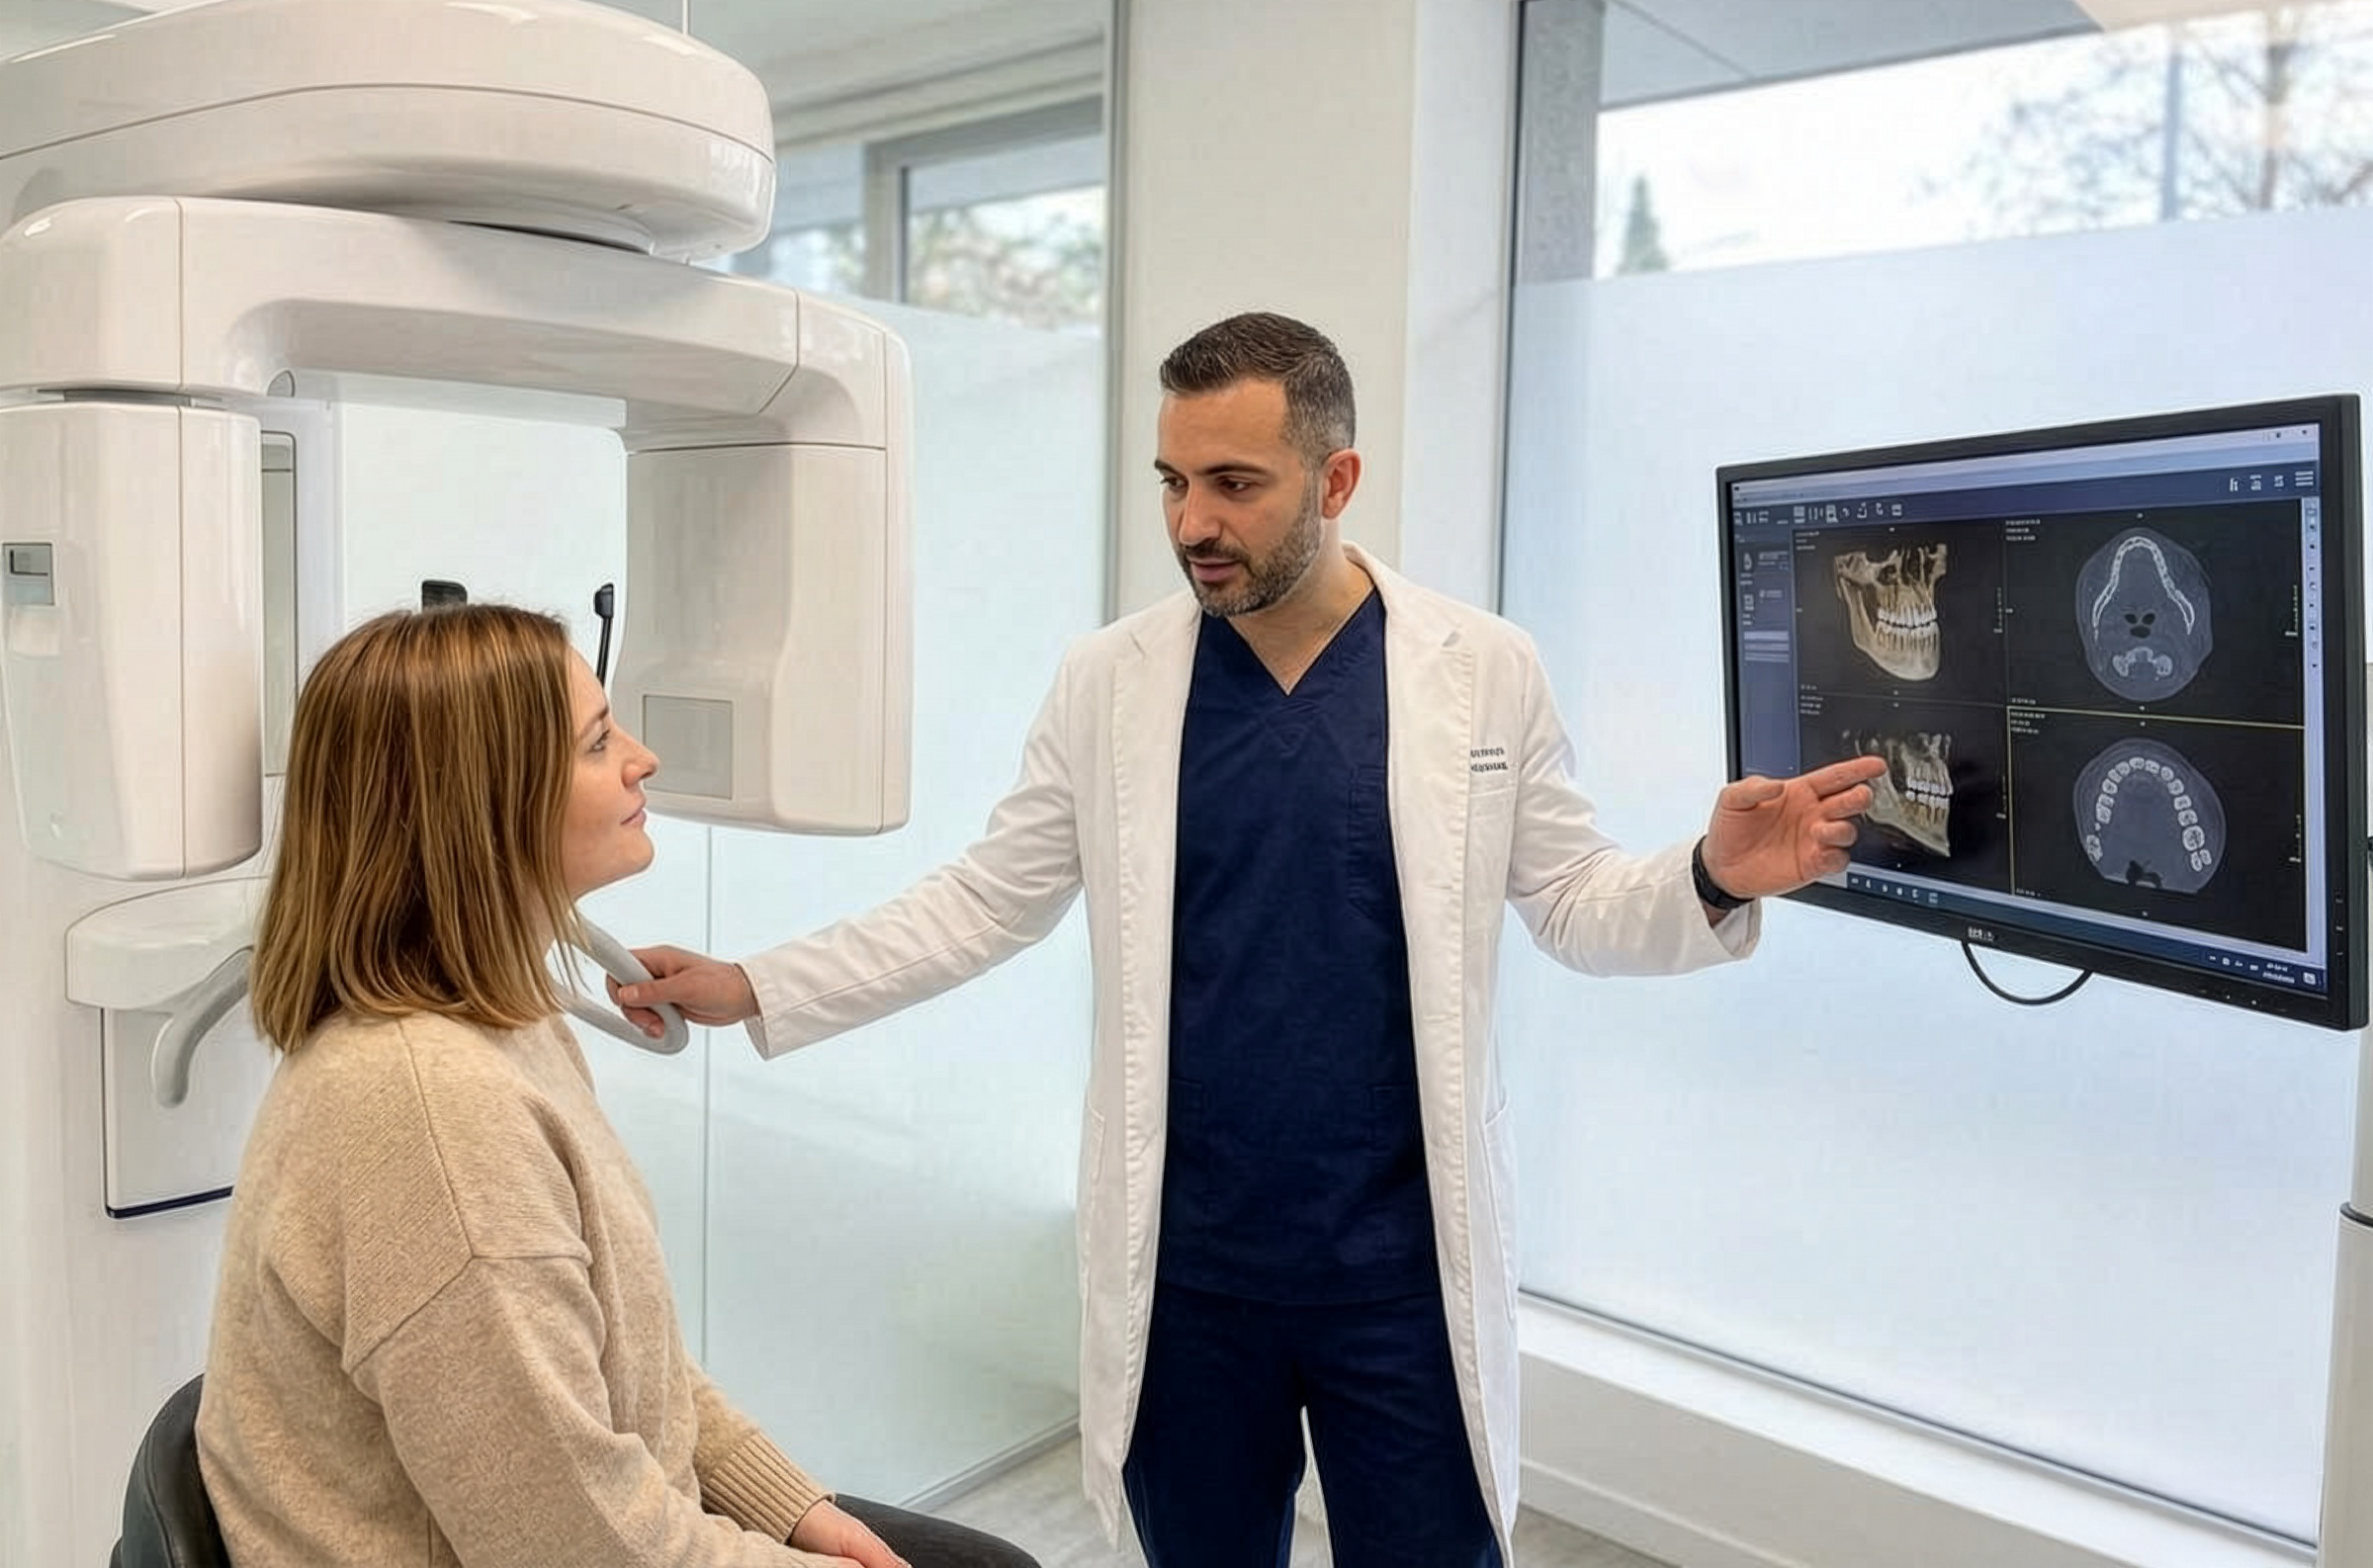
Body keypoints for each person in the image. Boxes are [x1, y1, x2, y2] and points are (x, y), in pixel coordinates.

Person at [613, 312, 1885, 1568]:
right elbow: (989, 896)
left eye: (1234, 483)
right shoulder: (1110, 681)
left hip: (1400, 1270)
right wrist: (758, 982)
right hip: (1189, 1272)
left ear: (1336, 480)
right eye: (1173, 481)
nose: (1191, 524)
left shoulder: (1480, 668)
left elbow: (1573, 898)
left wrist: (1713, 874)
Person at [197, 603, 1037, 1568]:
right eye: (599, 742)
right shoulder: (433, 1116)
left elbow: (620, 1355)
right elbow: (574, 1547)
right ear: (487, 803)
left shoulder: (502, 1021)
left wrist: (792, 1506)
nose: (644, 759)